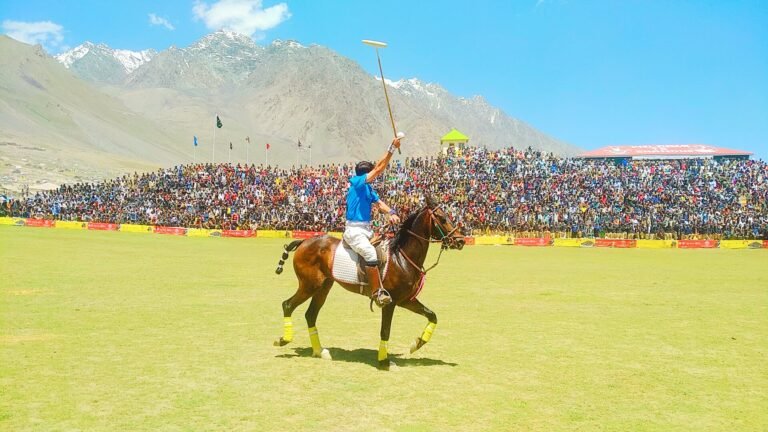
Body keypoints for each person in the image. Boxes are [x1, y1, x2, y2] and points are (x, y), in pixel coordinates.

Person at [343, 137, 402, 307]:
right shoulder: (357, 182)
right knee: (370, 253)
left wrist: (391, 212)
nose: (374, 176)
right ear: (366, 174)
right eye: (371, 174)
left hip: (367, 230)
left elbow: (380, 204)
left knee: (386, 250)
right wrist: (391, 148)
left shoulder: (368, 189)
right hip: (354, 230)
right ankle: (377, 293)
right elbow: (378, 168)